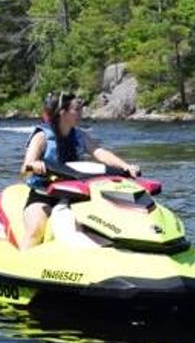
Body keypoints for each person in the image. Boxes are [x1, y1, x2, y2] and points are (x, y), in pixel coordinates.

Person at [19, 92, 141, 250]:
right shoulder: (42, 136)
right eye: (76, 109)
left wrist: (126, 167)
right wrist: (34, 165)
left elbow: (99, 152)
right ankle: (21, 265)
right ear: (62, 112)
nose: (81, 113)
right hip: (44, 196)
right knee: (36, 230)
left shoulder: (80, 136)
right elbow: (25, 167)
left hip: (74, 195)